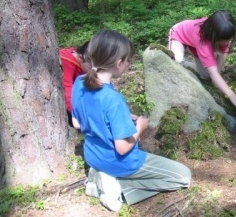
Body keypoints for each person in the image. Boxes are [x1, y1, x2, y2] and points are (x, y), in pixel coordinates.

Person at [71, 29, 191, 212]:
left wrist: (122, 118)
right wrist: (140, 127)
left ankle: (101, 178)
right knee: (183, 176)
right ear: (119, 63)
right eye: (127, 61)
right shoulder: (113, 99)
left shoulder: (79, 82)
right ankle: (118, 188)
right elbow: (122, 147)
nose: (127, 64)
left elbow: (77, 123)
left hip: (93, 156)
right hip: (119, 162)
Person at [168, 10, 236, 112]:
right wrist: (232, 95)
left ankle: (194, 65)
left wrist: (216, 79)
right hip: (179, 34)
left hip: (194, 42)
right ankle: (183, 62)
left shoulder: (223, 30)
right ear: (214, 36)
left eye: (229, 39)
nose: (228, 42)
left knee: (206, 76)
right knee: (176, 60)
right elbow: (213, 72)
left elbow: (223, 54)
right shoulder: (203, 42)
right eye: (225, 40)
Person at [59, 41, 90, 127]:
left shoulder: (82, 61)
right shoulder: (66, 63)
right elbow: (67, 91)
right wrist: (78, 114)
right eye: (90, 68)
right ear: (81, 57)